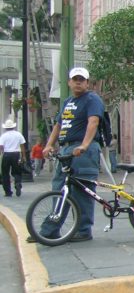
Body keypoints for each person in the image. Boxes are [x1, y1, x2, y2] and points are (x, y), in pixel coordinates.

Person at [37, 67, 104, 243]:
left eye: (82, 79)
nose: (78, 82)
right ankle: (50, 230)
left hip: (84, 151)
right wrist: (49, 145)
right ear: (69, 82)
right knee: (59, 188)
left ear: (87, 83)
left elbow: (93, 121)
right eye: (75, 79)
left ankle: (83, 230)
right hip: (66, 150)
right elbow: (58, 126)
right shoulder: (67, 102)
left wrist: (85, 144)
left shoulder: (92, 99)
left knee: (82, 191)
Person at [0, 118, 26, 197]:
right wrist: (23, 156)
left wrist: (2, 154)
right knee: (17, 171)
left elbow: (1, 146)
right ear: (13, 127)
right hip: (16, 154)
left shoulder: (3, 136)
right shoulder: (18, 134)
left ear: (6, 128)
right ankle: (18, 183)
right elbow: (22, 146)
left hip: (7, 155)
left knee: (5, 173)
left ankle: (8, 192)